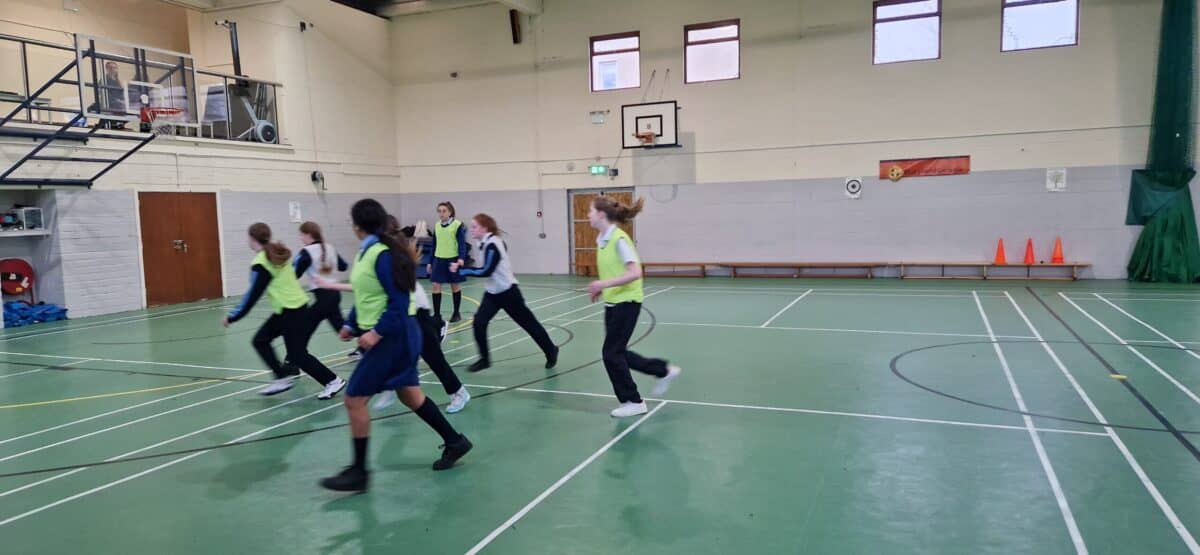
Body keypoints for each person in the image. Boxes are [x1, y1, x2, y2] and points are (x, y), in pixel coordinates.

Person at [319, 199, 472, 493]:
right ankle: (455, 442)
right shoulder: (367, 253)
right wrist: (351, 324)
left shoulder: (382, 255)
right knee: (410, 395)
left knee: (354, 400)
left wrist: (376, 333)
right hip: (395, 335)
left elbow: (400, 302)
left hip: (393, 338)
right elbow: (365, 294)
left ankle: (359, 472)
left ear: (357, 225)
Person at [224, 223, 346, 400]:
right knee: (261, 340)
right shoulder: (276, 253)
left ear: (252, 239)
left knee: (297, 354)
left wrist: (233, 316)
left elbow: (252, 295)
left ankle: (332, 381)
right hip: (290, 309)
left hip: (292, 310)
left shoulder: (262, 262)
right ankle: (282, 377)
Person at [585, 196, 681, 417]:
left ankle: (633, 401)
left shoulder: (619, 239)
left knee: (611, 354)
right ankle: (663, 370)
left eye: (590, 211)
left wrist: (603, 284)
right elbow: (614, 270)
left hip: (627, 302)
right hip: (613, 302)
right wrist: (603, 288)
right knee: (618, 352)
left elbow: (635, 272)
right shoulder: (602, 239)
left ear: (601, 214)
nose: (588, 215)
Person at [452, 213, 558, 373]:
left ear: (485, 228)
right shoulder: (483, 242)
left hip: (509, 293)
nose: (471, 230)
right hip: (493, 293)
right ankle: (485, 359)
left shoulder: (493, 244)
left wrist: (462, 271)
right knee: (479, 322)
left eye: (474, 227)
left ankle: (551, 350)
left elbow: (486, 271)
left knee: (529, 324)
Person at [295, 221, 349, 337]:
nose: (300, 238)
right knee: (344, 332)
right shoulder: (330, 247)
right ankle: (367, 339)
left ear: (308, 234)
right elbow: (343, 267)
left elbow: (295, 274)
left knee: (301, 330)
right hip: (335, 295)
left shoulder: (306, 251)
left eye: (301, 235)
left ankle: (371, 335)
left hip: (324, 298)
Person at [428, 202, 467, 322]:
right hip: (438, 260)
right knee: (435, 286)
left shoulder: (457, 225)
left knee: (454, 286)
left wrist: (461, 258)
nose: (441, 213)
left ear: (450, 212)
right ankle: (437, 315)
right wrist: (430, 262)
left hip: (452, 260)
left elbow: (462, 244)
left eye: (444, 211)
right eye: (439, 211)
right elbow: (434, 245)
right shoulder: (437, 226)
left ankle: (456, 313)